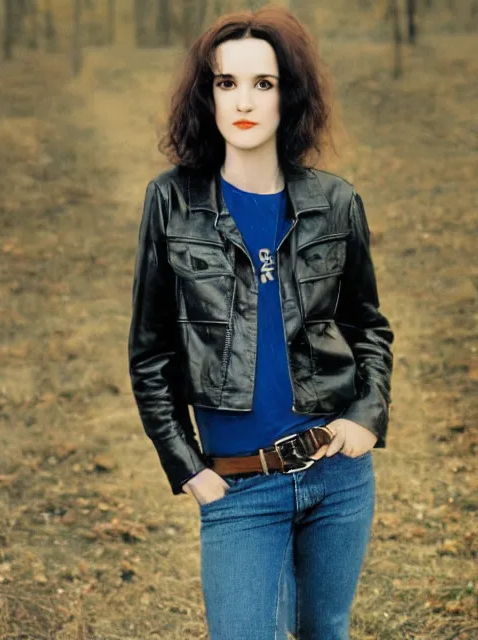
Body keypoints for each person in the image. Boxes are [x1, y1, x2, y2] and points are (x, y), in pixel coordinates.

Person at [128, 5, 394, 640]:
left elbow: (368, 327)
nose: (243, 100)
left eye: (263, 83)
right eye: (226, 83)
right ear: (207, 97)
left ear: (287, 97)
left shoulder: (334, 201)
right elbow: (150, 352)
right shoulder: (171, 202)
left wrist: (366, 416)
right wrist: (186, 466)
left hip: (338, 477)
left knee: (325, 631)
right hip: (239, 487)